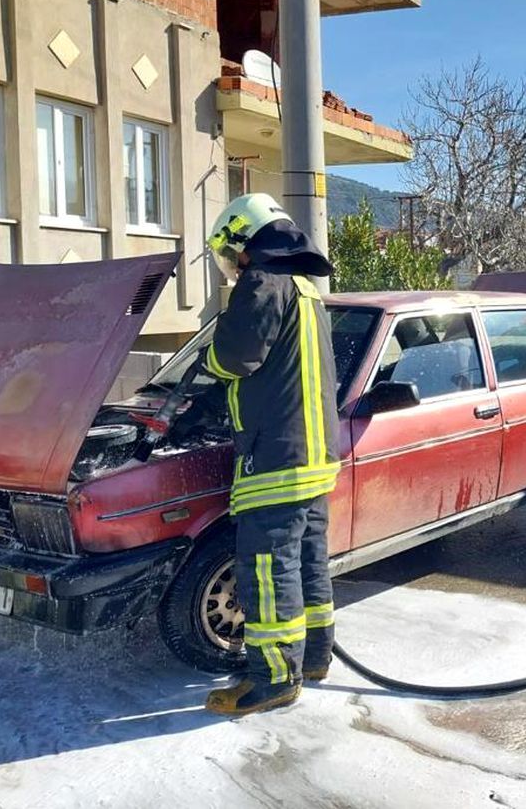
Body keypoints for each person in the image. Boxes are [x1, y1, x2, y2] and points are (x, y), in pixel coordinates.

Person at [199, 193, 340, 717]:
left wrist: (209, 367)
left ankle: (274, 678)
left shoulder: (263, 283)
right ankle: (315, 657)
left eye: (231, 252)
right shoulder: (306, 289)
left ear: (244, 240)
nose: (232, 266)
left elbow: (235, 358)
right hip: (316, 452)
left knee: (266, 565)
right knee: (308, 560)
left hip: (276, 456)